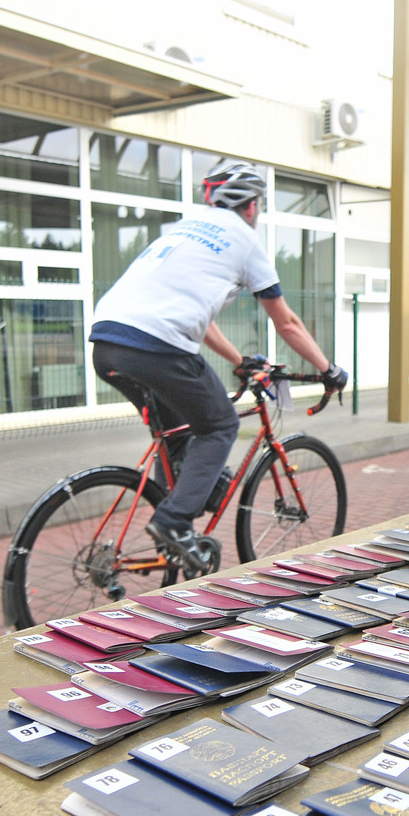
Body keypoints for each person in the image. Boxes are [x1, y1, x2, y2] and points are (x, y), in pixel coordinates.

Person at [89, 160, 348, 573]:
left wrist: (240, 361)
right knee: (221, 424)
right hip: (158, 346)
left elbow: (203, 320)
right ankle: (174, 522)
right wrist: (328, 369)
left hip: (107, 343)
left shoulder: (183, 230)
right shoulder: (244, 241)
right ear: (252, 206)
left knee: (176, 431)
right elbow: (287, 323)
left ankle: (174, 524)